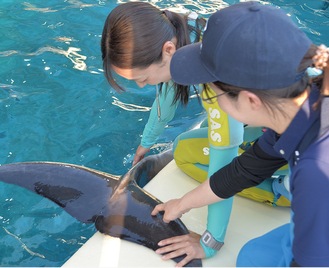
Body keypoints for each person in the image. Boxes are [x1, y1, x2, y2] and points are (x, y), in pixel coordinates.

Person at [152, 1, 329, 267]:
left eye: (212, 92)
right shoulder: (296, 108)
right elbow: (244, 171)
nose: (210, 99)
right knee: (252, 257)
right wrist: (182, 204)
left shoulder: (316, 170)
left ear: (250, 101)